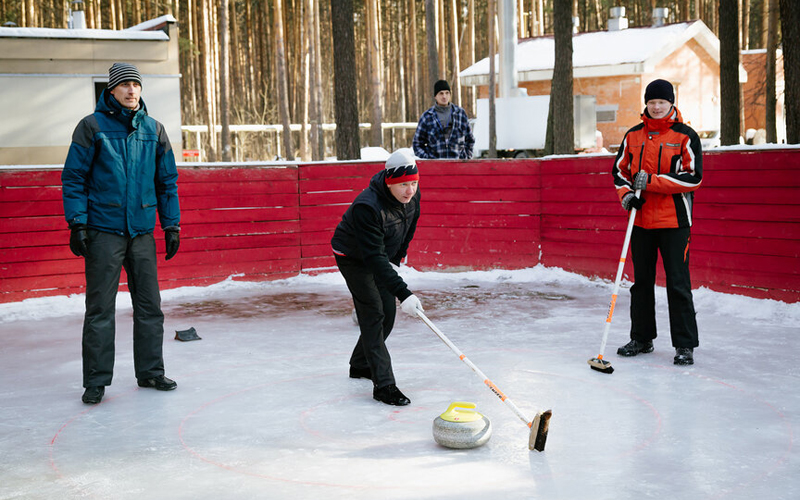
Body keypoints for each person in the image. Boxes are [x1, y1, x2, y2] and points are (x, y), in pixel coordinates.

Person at [61, 62, 181, 404]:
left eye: (136, 85)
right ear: (111, 90)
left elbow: (166, 182)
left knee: (150, 306)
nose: (131, 90)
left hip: (142, 231)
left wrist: (171, 224)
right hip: (104, 231)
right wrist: (78, 223)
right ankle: (96, 380)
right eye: (125, 85)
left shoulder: (154, 130)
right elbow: (74, 179)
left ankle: (151, 372)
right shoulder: (91, 127)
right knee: (99, 308)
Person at [611, 78, 703, 366]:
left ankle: (684, 345)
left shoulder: (686, 136)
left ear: (671, 103)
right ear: (646, 104)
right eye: (652, 102)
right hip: (641, 222)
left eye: (662, 102)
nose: (657, 107)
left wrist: (651, 182)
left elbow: (693, 177)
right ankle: (642, 337)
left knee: (677, 283)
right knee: (641, 283)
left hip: (675, 221)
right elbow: (619, 172)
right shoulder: (633, 136)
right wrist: (627, 196)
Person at [331, 148, 423, 406]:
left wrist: (395, 262)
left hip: (379, 256)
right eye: (404, 184)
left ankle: (360, 364)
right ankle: (384, 386)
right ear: (390, 182)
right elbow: (373, 258)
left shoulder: (411, 200)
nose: (410, 190)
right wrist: (403, 292)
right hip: (352, 256)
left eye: (414, 183)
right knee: (373, 313)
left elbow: (406, 232)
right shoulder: (367, 207)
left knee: (388, 315)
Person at [413, 79, 475, 159]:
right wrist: (428, 159)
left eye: (447, 93)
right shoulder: (427, 117)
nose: (444, 96)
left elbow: (470, 140)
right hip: (435, 167)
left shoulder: (460, 114)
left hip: (458, 166)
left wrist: (465, 157)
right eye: (441, 93)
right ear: (435, 96)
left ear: (450, 94)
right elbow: (417, 144)